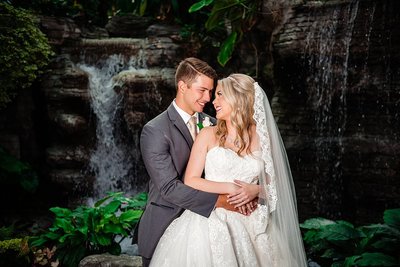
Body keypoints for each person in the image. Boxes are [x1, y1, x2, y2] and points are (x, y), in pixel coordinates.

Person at [150, 73, 308, 266]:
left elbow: (275, 182)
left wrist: (256, 190)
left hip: (253, 219)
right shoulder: (208, 134)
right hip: (210, 219)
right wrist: (231, 188)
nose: (213, 101)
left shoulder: (262, 137)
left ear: (238, 98)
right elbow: (191, 180)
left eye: (219, 95)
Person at [137, 59, 258, 267]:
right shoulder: (155, 130)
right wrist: (223, 201)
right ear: (182, 86)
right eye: (202, 90)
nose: (208, 98)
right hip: (167, 224)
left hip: (219, 226)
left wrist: (254, 189)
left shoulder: (213, 123)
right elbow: (168, 187)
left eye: (211, 92)